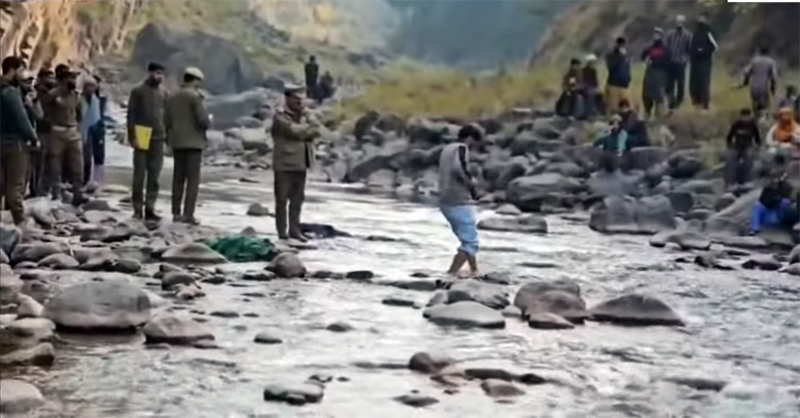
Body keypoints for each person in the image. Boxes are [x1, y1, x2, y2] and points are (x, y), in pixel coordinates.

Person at [271, 84, 321, 242]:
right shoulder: (280, 116)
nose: (300, 102)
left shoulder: (306, 114)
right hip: (284, 164)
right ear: (288, 98)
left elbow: (317, 130)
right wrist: (308, 129)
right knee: (282, 200)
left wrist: (308, 124)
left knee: (297, 200)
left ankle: (295, 230)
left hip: (301, 163)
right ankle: (282, 232)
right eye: (296, 99)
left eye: (302, 99)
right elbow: (293, 131)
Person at [165, 67, 211, 225]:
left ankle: (176, 213)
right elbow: (203, 120)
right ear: (195, 80)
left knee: (178, 179)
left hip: (177, 142)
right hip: (194, 144)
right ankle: (188, 214)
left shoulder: (172, 96)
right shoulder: (195, 97)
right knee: (192, 180)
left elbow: (166, 120)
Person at [438, 124, 483, 277]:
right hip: (458, 199)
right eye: (475, 142)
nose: (474, 147)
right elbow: (460, 168)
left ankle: (474, 270)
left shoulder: (447, 149)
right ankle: (451, 273)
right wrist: (472, 184)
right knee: (471, 242)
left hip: (445, 199)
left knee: (467, 239)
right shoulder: (461, 148)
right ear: (469, 138)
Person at [127, 62, 168, 221]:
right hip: (141, 133)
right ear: (149, 73)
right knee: (139, 174)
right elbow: (131, 115)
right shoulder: (138, 91)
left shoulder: (164, 93)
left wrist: (168, 136)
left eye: (161, 74)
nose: (159, 77)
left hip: (158, 135)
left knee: (155, 174)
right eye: (157, 73)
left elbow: (167, 116)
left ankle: (150, 207)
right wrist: (132, 136)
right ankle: (137, 209)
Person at [0, 56, 39, 225]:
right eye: (21, 70)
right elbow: (21, 118)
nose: (22, 75)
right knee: (16, 185)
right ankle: (20, 221)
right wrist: (33, 138)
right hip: (15, 143)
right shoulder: (11, 92)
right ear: (13, 70)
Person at [42, 66, 86, 206]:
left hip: (72, 131)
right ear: (62, 80)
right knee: (55, 164)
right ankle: (56, 193)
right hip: (57, 131)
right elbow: (44, 113)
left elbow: (80, 115)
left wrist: (78, 130)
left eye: (74, 78)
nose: (73, 81)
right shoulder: (52, 95)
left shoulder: (76, 96)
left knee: (77, 164)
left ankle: (78, 193)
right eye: (70, 78)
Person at [79, 76, 106, 191]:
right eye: (88, 86)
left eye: (93, 86)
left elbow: (102, 115)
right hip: (83, 129)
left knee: (99, 156)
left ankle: (96, 181)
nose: (90, 89)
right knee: (85, 157)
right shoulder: (79, 99)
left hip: (97, 128)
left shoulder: (99, 100)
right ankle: (84, 181)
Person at [724, 108, 761, 187]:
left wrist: (758, 146)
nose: (745, 118)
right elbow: (729, 137)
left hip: (748, 146)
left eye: (747, 116)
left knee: (749, 158)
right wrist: (729, 145)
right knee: (730, 159)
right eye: (744, 116)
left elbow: (757, 137)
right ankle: (731, 182)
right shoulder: (736, 125)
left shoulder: (752, 125)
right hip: (737, 146)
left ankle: (747, 180)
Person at [640, 28, 672, 120]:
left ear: (661, 36)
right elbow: (643, 56)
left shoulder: (665, 49)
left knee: (658, 95)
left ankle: (659, 115)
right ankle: (647, 113)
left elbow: (667, 62)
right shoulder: (650, 47)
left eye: (657, 34)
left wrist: (654, 62)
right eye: (654, 34)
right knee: (646, 94)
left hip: (660, 73)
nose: (655, 36)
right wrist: (645, 60)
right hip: (650, 72)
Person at [664, 15, 693, 112]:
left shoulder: (688, 35)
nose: (679, 23)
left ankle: (678, 102)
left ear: (683, 23)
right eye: (677, 22)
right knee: (669, 83)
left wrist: (685, 59)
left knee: (680, 84)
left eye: (681, 22)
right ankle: (671, 102)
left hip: (681, 63)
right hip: (670, 62)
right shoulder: (670, 34)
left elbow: (690, 50)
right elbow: (666, 46)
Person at [688, 14, 718, 110]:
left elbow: (714, 46)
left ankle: (705, 104)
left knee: (704, 82)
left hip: (705, 61)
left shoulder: (708, 32)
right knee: (694, 83)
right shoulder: (695, 32)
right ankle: (696, 102)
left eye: (702, 18)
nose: (700, 19)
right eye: (699, 17)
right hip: (694, 61)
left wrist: (703, 51)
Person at [743, 46, 778, 119]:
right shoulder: (770, 62)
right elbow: (774, 77)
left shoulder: (754, 61)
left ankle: (755, 119)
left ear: (759, 52)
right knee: (765, 107)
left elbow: (746, 72)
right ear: (768, 53)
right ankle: (763, 120)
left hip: (754, 87)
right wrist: (773, 89)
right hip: (764, 87)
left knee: (755, 106)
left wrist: (745, 82)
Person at [604, 37, 632, 113]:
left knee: (624, 107)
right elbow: (611, 67)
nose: (622, 47)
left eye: (624, 45)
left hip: (624, 84)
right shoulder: (612, 55)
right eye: (621, 45)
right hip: (614, 84)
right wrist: (620, 57)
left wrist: (629, 78)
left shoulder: (626, 56)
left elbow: (627, 69)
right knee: (613, 106)